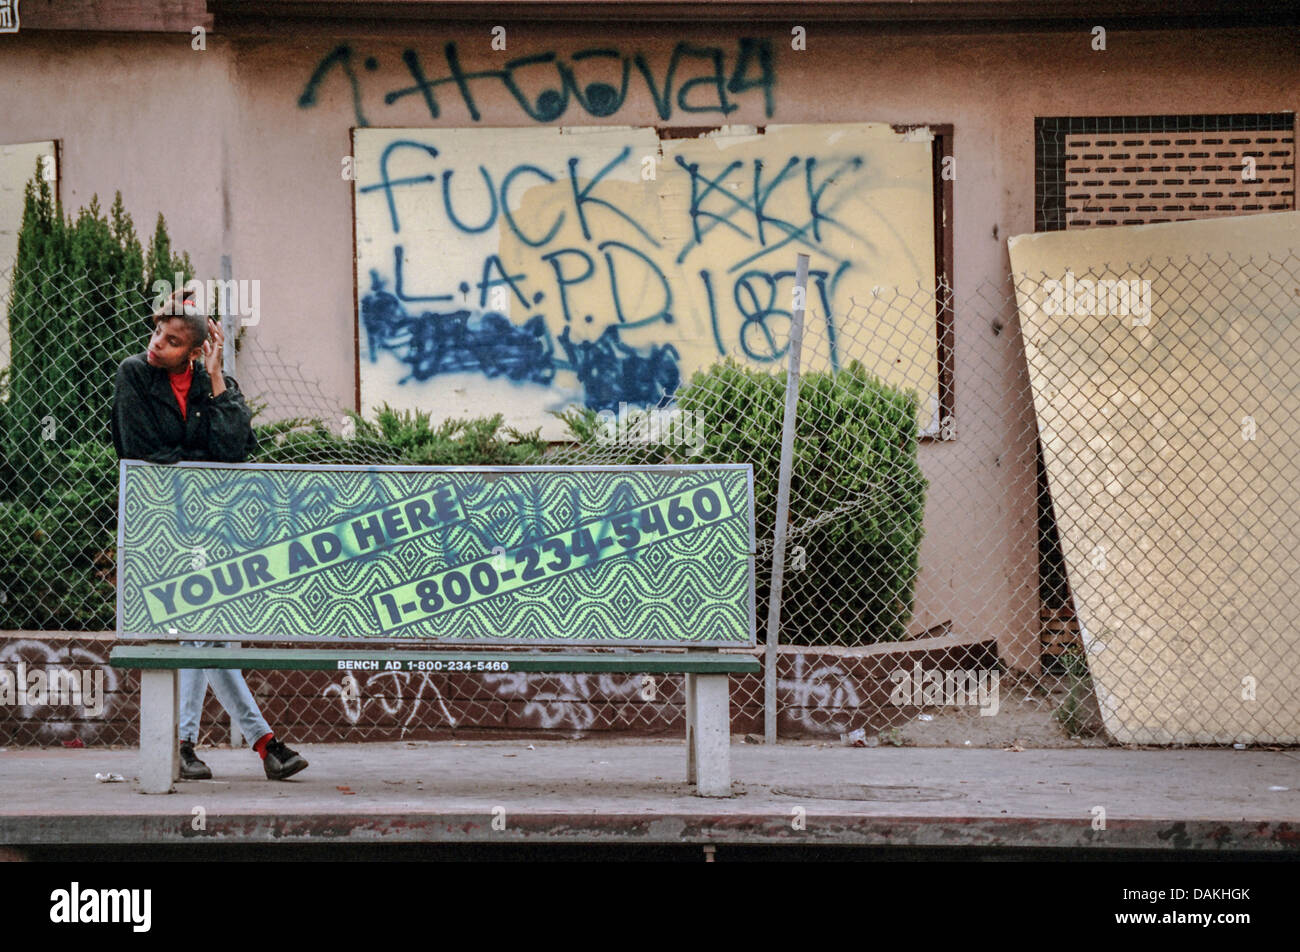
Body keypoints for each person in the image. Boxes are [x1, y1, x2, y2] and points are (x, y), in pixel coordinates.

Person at [111, 286, 309, 781]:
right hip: (159, 526)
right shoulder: (134, 375)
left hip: (209, 529)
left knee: (200, 632)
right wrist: (202, 467)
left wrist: (219, 376)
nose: (158, 343)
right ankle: (265, 744)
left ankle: (186, 744)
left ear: (196, 350)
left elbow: (235, 453)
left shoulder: (210, 383)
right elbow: (141, 453)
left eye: (173, 339)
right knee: (203, 632)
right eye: (158, 332)